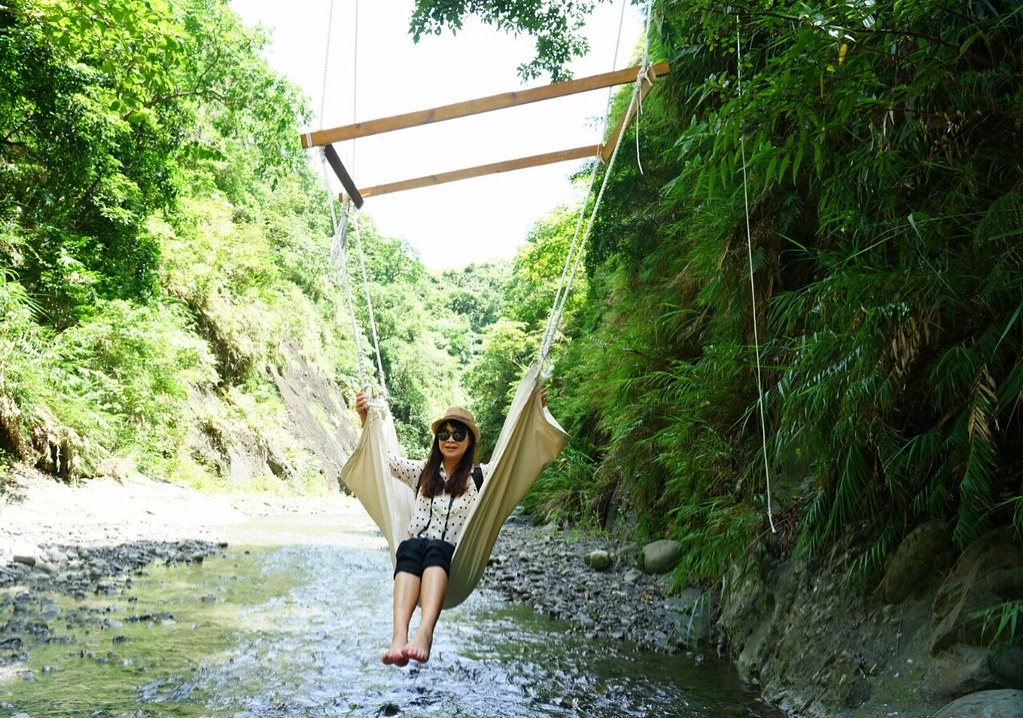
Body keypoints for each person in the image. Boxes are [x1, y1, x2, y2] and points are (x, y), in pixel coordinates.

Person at [355, 390, 546, 666]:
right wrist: (367, 421)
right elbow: (382, 460)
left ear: (470, 440)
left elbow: (515, 459)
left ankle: (424, 634)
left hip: (450, 556)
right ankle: (399, 637)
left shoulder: (481, 477)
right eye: (443, 434)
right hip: (415, 549)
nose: (450, 439)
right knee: (409, 547)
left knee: (434, 548)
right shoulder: (422, 471)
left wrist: (533, 416)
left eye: (458, 433)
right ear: (437, 440)